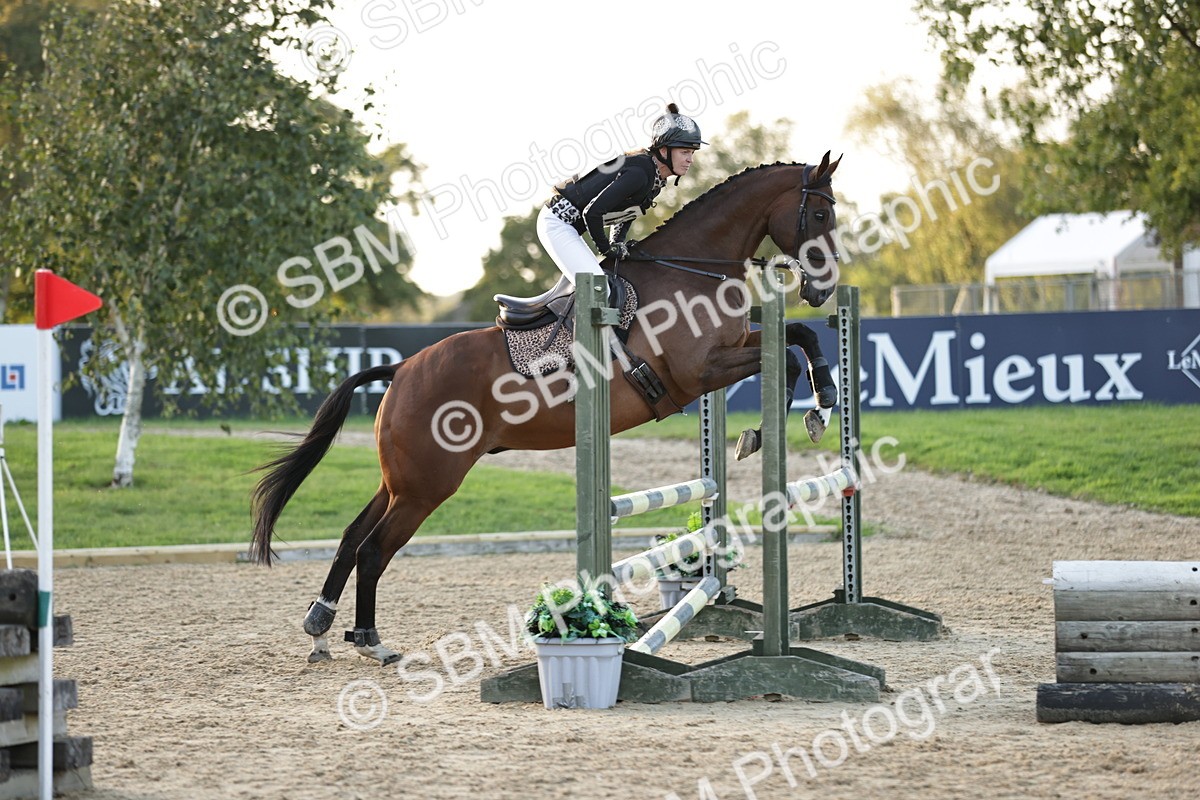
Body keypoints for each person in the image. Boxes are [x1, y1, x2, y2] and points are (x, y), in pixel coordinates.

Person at [538, 103, 704, 293]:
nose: (690, 159)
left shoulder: (655, 179)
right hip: (557, 223)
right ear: (664, 151)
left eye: (692, 153)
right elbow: (592, 212)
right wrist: (606, 249)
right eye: (684, 152)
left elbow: (625, 213)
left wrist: (618, 242)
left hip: (571, 227)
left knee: (613, 284)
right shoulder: (640, 173)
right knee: (598, 288)